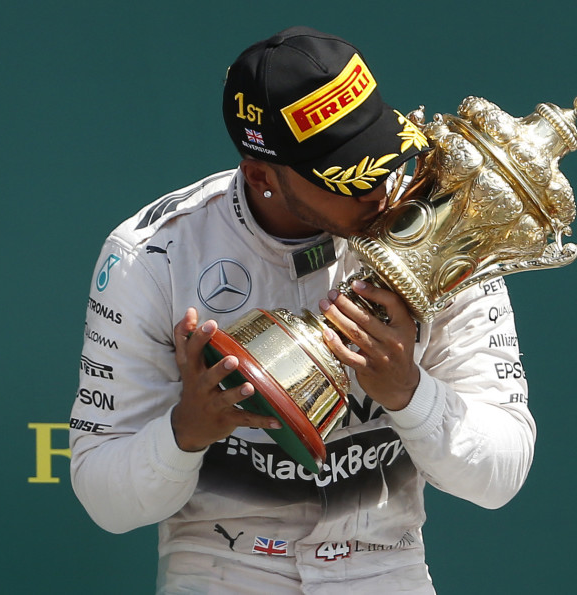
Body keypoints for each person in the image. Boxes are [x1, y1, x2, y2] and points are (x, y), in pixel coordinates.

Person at [70, 26, 535, 594]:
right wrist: (185, 431)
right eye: (348, 175)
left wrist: (408, 391)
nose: (380, 188)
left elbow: (500, 474)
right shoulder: (154, 256)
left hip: (383, 565)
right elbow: (104, 499)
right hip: (221, 566)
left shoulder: (441, 233)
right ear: (261, 173)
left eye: (383, 154)